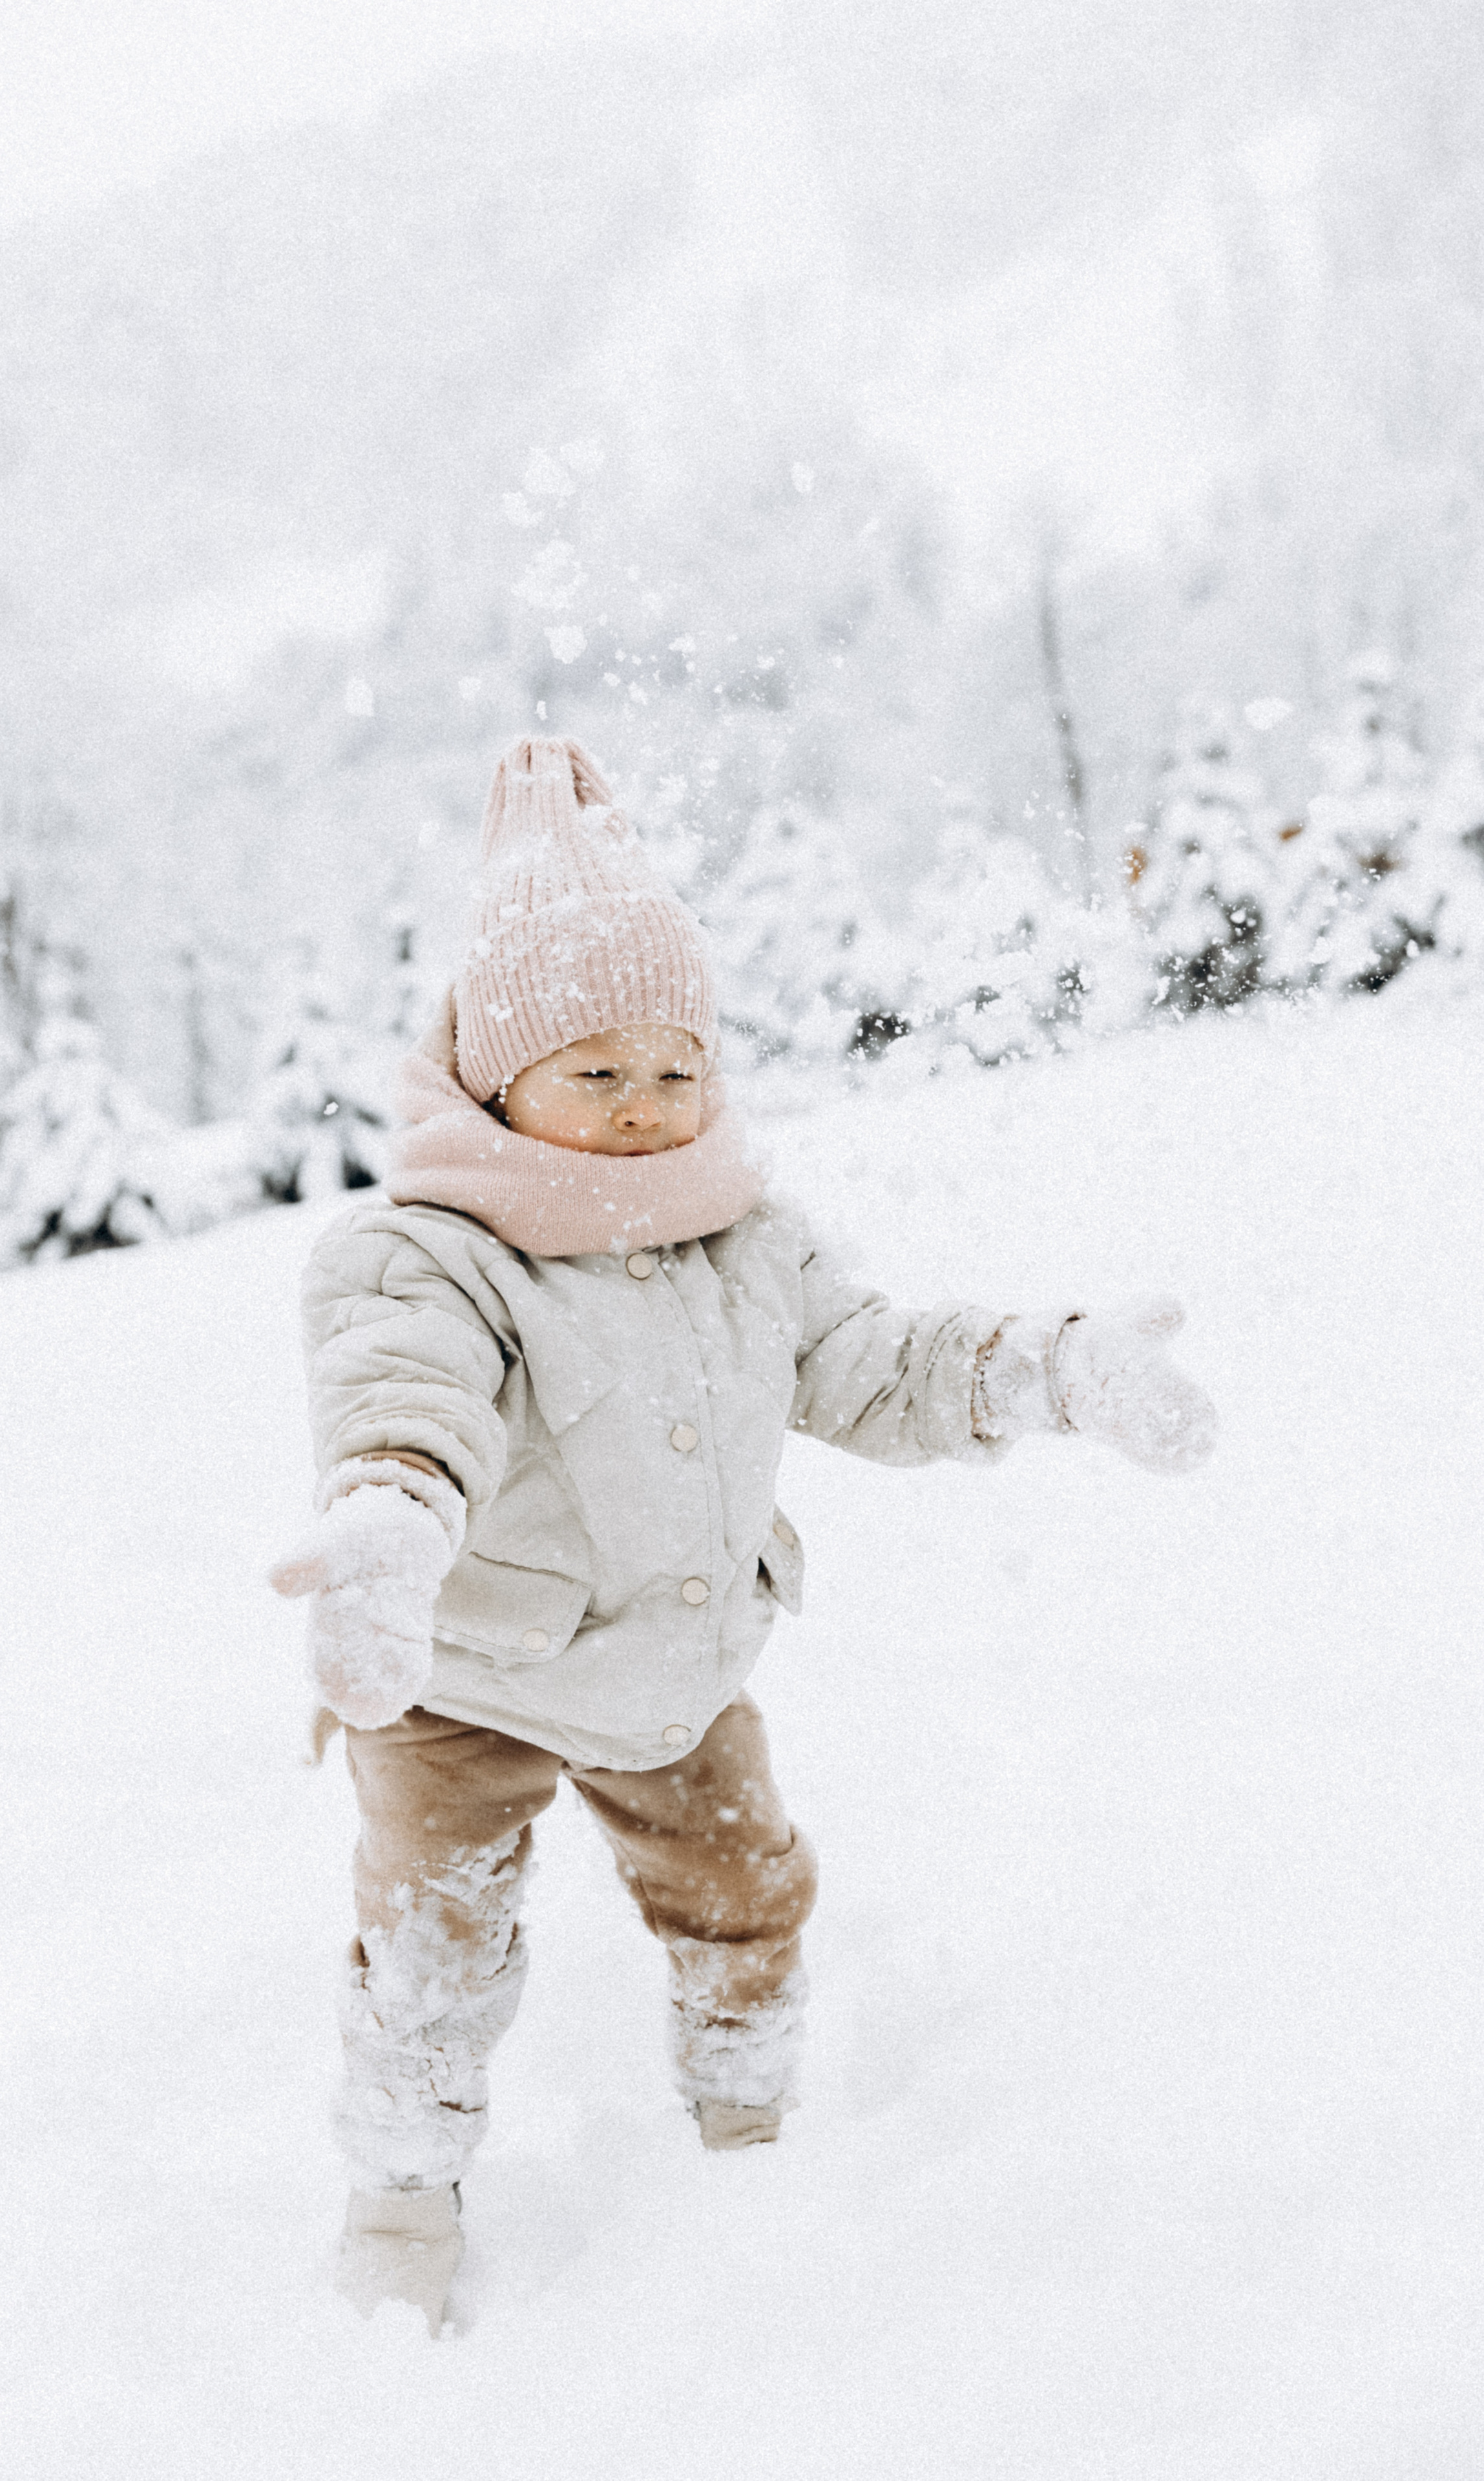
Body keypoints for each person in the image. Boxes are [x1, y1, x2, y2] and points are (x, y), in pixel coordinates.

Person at [270, 736, 1217, 2336]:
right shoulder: (426, 1256)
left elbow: (878, 1364)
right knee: (431, 1958)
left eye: (674, 1070)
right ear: (498, 1083)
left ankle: (746, 2129)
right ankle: (403, 2194)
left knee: (745, 1898)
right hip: (460, 1682)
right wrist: (387, 1525)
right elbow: (405, 1404)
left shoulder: (748, 1241)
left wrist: (1043, 1366)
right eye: (592, 1072)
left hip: (673, 1673)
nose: (643, 1111)